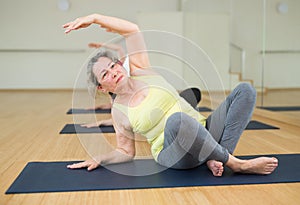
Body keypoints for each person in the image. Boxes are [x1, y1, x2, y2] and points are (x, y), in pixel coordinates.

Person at [63, 14, 278, 176]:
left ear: (120, 64)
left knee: (245, 91)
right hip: (174, 153)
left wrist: (94, 18)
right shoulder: (119, 112)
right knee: (177, 121)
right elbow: (126, 152)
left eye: (113, 65)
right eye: (105, 74)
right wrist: (102, 157)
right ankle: (236, 164)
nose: (113, 72)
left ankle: (215, 157)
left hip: (204, 130)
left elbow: (132, 31)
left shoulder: (143, 70)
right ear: (102, 87)